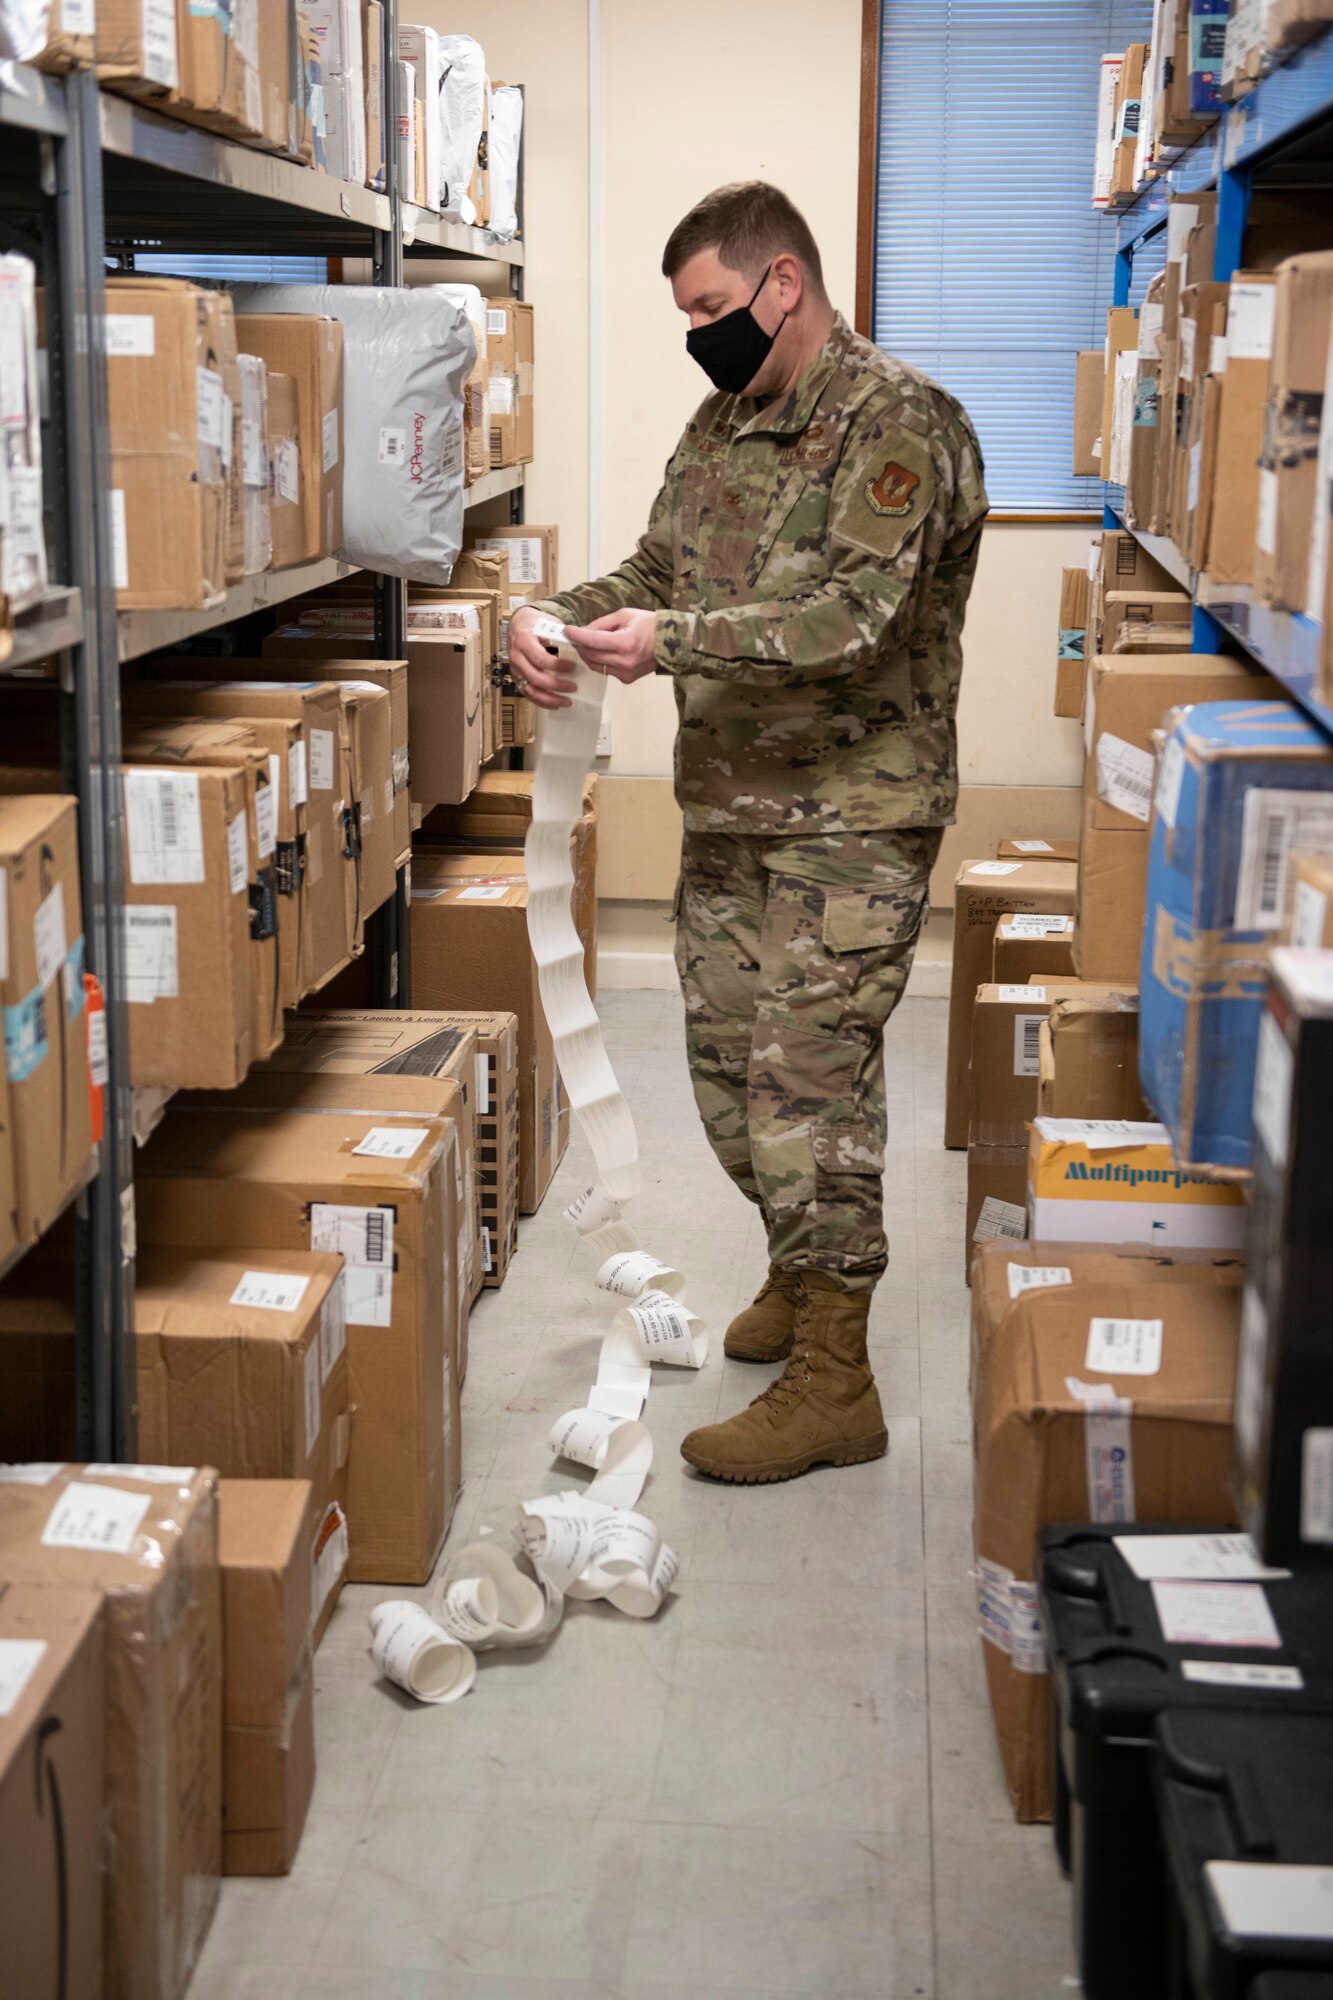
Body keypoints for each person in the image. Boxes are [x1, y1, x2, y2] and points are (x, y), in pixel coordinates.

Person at [510, 180, 987, 1486]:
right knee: (725, 1079)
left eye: (712, 306)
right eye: (685, 316)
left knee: (804, 1087)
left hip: (853, 816)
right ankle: (796, 1266)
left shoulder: (901, 425)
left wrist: (667, 645)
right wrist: (556, 611)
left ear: (784, 282)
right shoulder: (723, 421)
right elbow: (660, 574)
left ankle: (838, 1378)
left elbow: (854, 621)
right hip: (730, 810)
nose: (698, 335)